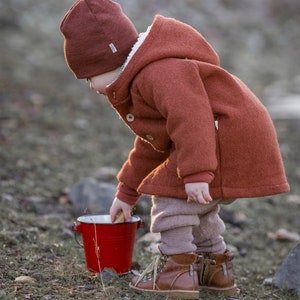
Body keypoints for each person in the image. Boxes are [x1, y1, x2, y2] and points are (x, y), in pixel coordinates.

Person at [60, 0, 290, 298]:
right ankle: (213, 268)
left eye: (90, 76)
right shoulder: (145, 73)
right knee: (196, 204)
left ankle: (176, 271)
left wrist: (196, 173)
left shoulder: (158, 72)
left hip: (227, 136)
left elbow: (192, 118)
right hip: (225, 137)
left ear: (110, 57)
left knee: (171, 195)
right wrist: (127, 191)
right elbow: (154, 142)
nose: (91, 86)